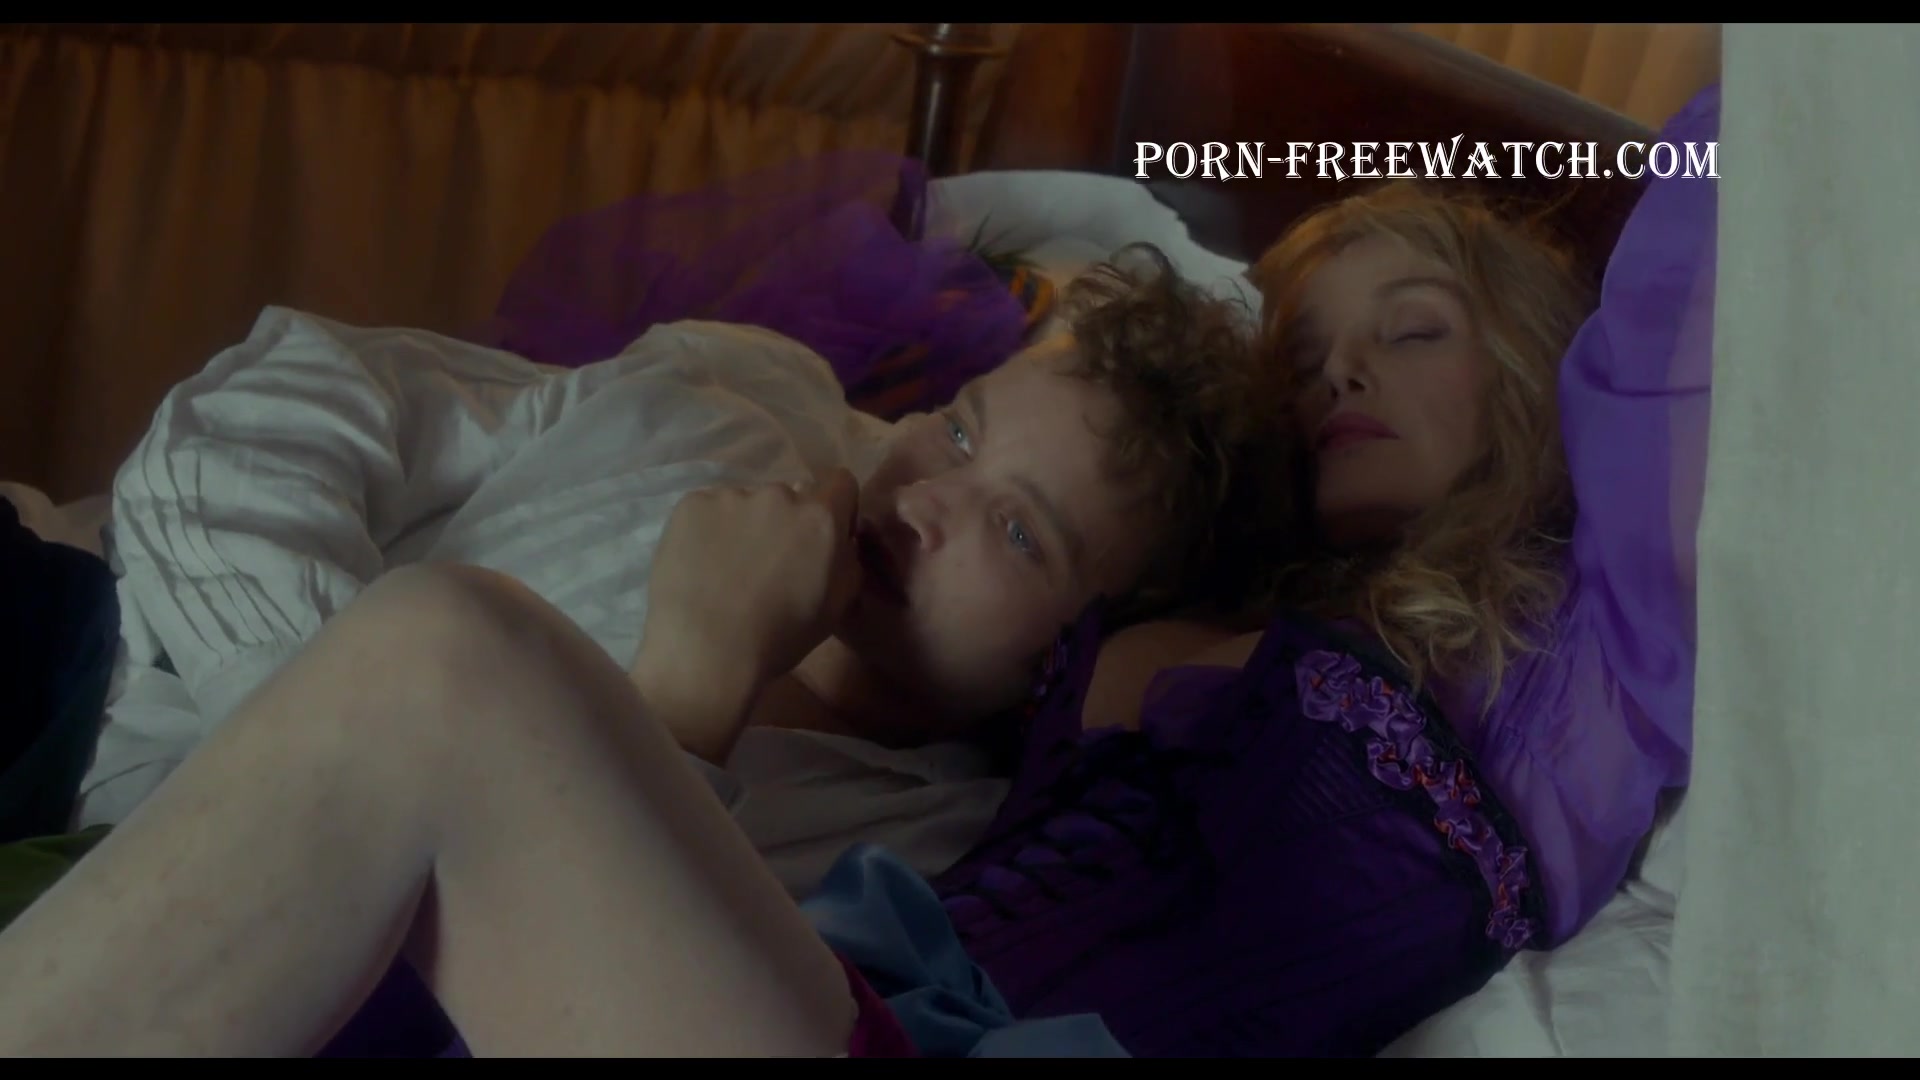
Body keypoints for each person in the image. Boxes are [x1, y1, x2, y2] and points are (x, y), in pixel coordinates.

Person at [0, 85, 1717, 1057]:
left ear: (1540, 368)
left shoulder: (1563, 661)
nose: (1339, 372)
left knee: (445, 659)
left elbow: (1707, 262)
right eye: (1310, 346)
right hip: (814, 992)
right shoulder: (1176, 627)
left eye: (1413, 331)